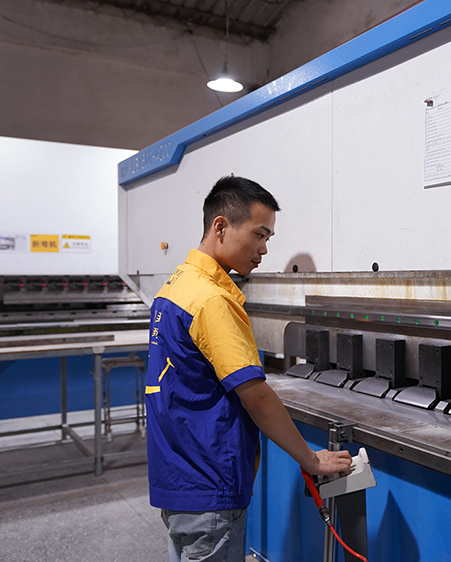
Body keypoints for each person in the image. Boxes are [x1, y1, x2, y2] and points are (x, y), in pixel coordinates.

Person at [145, 175, 352, 562]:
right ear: (221, 226)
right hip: (209, 480)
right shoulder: (211, 299)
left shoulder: (176, 286)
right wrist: (311, 459)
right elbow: (255, 394)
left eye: (268, 238)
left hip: (178, 473)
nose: (264, 249)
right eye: (259, 234)